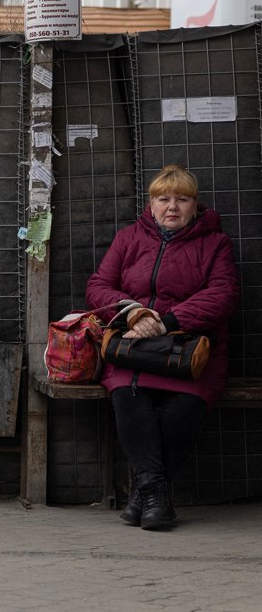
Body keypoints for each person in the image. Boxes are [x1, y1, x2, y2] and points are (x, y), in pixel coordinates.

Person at [87, 164, 239, 531]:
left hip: (191, 352)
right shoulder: (128, 239)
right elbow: (98, 286)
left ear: (194, 205)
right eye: (163, 199)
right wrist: (134, 311)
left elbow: (223, 295)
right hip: (134, 349)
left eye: (182, 199)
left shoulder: (215, 243)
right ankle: (155, 494)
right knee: (128, 397)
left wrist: (167, 322)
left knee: (183, 408)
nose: (172, 207)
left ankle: (145, 494)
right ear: (151, 205)